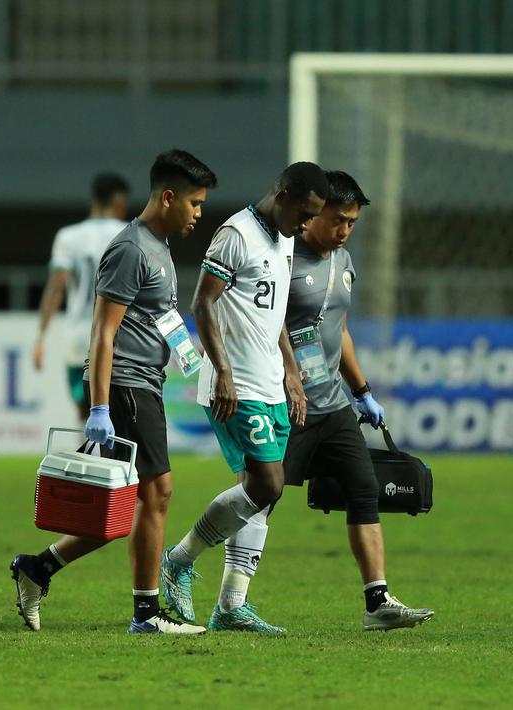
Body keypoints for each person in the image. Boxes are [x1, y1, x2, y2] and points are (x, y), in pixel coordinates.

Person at [10, 149, 216, 634]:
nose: (199, 213)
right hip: (124, 384)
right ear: (168, 197)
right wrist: (99, 407)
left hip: (145, 381)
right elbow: (103, 333)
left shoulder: (159, 246)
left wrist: (192, 357)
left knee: (127, 501)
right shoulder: (131, 249)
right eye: (196, 203)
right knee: (155, 493)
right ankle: (146, 614)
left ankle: (38, 568)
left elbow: (160, 317)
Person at [159, 162, 328, 633]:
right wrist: (225, 372)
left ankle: (232, 605)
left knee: (262, 498)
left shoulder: (287, 238)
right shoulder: (236, 234)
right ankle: (178, 561)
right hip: (237, 385)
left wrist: (293, 375)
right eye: (305, 212)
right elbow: (202, 302)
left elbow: (273, 317)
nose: (307, 224)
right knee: (267, 484)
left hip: (271, 382)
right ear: (285, 194)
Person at [276, 170, 433, 630]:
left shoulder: (343, 263)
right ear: (314, 211)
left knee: (364, 491)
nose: (345, 229)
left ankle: (377, 602)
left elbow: (338, 331)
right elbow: (266, 324)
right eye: (338, 218)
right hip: (287, 403)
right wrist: (285, 378)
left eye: (352, 222)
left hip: (332, 403)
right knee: (260, 495)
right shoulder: (281, 258)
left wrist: (363, 392)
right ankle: (213, 582)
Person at [34, 173, 130, 421]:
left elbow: (56, 288)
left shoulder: (68, 236)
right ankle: (112, 458)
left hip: (79, 335)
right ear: (121, 203)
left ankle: (86, 455)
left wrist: (41, 337)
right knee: (115, 409)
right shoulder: (129, 233)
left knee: (84, 410)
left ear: (93, 200)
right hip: (119, 336)